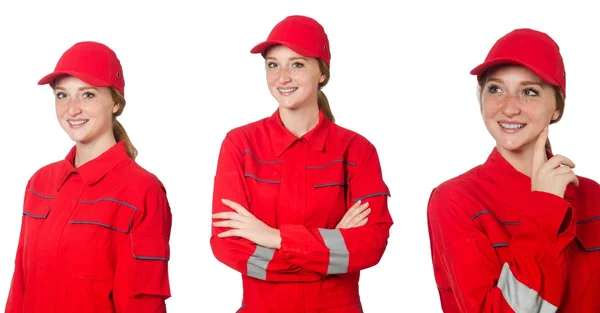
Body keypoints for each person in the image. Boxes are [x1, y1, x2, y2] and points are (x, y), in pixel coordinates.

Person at [210, 15, 393, 313]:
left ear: (321, 72)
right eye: (273, 64)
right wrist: (330, 252)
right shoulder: (240, 145)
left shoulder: (357, 151)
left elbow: (371, 246)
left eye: (297, 64)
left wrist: (274, 237)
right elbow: (228, 245)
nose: (282, 77)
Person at [427, 28, 600, 312]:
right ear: (480, 97)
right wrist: (545, 209)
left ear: (556, 107)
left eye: (529, 92)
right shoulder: (455, 201)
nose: (509, 108)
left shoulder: (593, 196)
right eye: (495, 89)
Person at [5, 41, 172, 313]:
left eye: (88, 95)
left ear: (115, 102)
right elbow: (20, 284)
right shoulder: (40, 183)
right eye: (62, 95)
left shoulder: (142, 190)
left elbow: (142, 303)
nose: (72, 109)